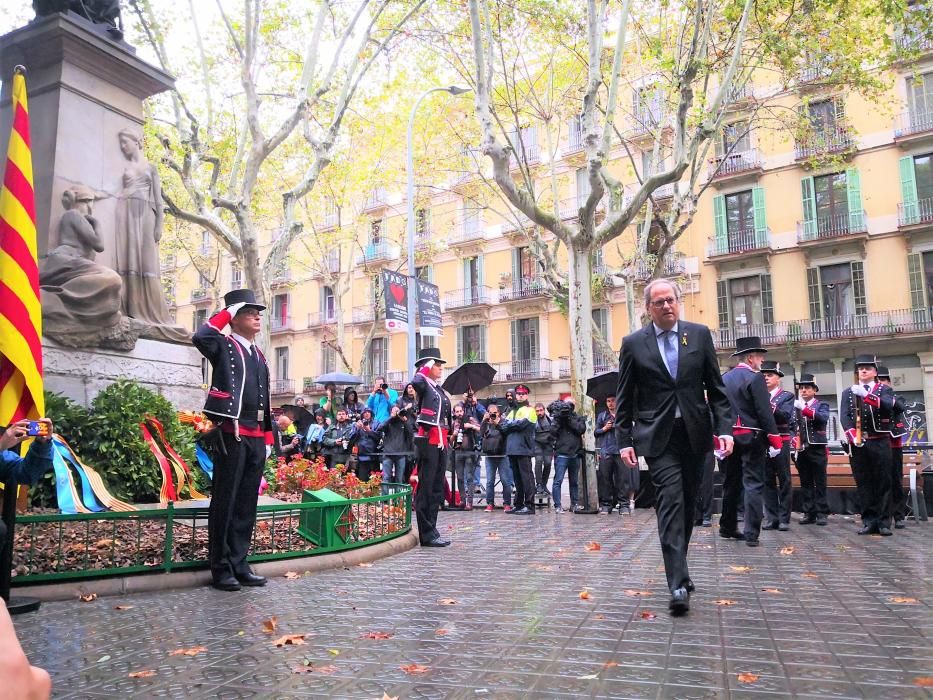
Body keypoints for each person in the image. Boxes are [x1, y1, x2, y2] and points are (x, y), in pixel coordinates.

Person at [616, 278, 734, 616]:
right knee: (669, 502)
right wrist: (625, 440)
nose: (667, 306)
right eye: (659, 302)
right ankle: (678, 584)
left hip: (696, 435)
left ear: (678, 302)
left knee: (688, 506)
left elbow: (716, 388)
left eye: (671, 300)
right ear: (648, 308)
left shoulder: (698, 335)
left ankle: (678, 564)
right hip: (658, 437)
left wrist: (724, 429)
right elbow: (625, 398)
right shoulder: (634, 344)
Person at [192, 289, 273, 592]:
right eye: (249, 311)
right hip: (232, 434)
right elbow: (201, 336)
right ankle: (221, 567)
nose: (257, 316)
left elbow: (264, 399)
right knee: (225, 502)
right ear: (235, 317)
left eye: (257, 312)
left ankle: (240, 563)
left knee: (246, 504)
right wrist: (227, 311)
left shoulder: (259, 354)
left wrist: (267, 437)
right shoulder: (223, 345)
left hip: (255, 436)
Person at [720, 337, 783, 547]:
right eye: (759, 356)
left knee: (731, 482)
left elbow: (718, 409)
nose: (761, 361)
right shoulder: (755, 378)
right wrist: (775, 438)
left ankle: (727, 526)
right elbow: (764, 411)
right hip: (752, 436)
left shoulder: (725, 377)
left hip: (729, 437)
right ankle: (751, 533)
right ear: (750, 357)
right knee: (753, 484)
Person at [841, 354, 897, 536]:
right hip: (859, 444)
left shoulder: (884, 390)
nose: (863, 370)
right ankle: (868, 520)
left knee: (883, 482)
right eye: (860, 368)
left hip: (880, 441)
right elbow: (845, 417)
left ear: (874, 371)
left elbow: (890, 407)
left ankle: (883, 522)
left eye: (867, 368)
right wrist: (852, 435)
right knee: (864, 483)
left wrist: (868, 396)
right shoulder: (848, 392)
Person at [411, 348, 453, 547]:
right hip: (428, 439)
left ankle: (433, 530)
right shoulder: (423, 384)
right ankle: (426, 534)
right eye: (437, 364)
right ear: (427, 366)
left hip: (442, 440)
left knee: (437, 487)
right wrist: (425, 367)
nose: (440, 368)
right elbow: (416, 382)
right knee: (426, 488)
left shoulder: (437, 388)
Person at [760, 361, 796, 532]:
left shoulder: (786, 397)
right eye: (763, 375)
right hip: (763, 441)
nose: (766, 378)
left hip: (781, 440)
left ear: (778, 378)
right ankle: (771, 517)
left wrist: (768, 405)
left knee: (784, 479)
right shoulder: (758, 395)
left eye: (770, 375)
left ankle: (784, 518)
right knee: (767, 480)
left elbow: (785, 416)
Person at [793, 374, 830, 526]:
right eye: (801, 388)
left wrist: (805, 410)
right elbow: (791, 425)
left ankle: (822, 512)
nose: (803, 391)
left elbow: (822, 418)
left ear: (814, 390)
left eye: (807, 388)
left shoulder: (822, 405)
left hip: (817, 448)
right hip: (802, 449)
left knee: (820, 482)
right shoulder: (796, 408)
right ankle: (809, 512)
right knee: (806, 482)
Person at [878, 366, 908, 529]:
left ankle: (899, 515)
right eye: (878, 381)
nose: (880, 383)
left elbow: (900, 407)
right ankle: (883, 515)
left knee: (895, 480)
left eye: (883, 380)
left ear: (889, 382)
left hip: (893, 444)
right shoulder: (872, 400)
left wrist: (886, 397)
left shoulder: (897, 397)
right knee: (881, 481)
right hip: (877, 444)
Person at [501, 384, 538, 515]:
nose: (520, 396)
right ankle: (518, 504)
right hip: (512, 449)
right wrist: (512, 425)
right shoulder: (512, 411)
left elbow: (523, 425)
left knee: (527, 478)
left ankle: (529, 505)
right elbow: (503, 426)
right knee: (517, 479)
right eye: (518, 393)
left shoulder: (530, 410)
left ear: (527, 395)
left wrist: (511, 424)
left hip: (523, 448)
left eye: (523, 393)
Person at [550, 397, 586, 514]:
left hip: (574, 453)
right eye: (566, 405)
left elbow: (581, 429)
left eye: (571, 405)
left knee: (574, 481)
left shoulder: (577, 417)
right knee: (558, 481)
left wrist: (569, 418)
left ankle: (574, 504)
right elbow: (552, 432)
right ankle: (558, 505)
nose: (568, 408)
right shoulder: (558, 418)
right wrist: (559, 419)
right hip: (561, 454)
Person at [595, 395, 628, 514]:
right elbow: (596, 432)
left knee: (622, 479)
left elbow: (629, 429)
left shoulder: (623, 414)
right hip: (606, 451)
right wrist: (605, 428)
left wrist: (618, 425)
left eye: (613, 401)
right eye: (608, 401)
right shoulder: (602, 416)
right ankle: (606, 504)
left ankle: (624, 504)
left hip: (620, 450)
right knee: (605, 479)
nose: (610, 403)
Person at [480, 405, 512, 511]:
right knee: (490, 481)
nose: (492, 415)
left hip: (502, 455)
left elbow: (506, 433)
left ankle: (507, 503)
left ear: (499, 413)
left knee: (505, 481)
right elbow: (481, 434)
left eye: (495, 412)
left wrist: (497, 424)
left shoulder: (503, 421)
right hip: (490, 455)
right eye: (490, 412)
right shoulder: (486, 422)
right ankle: (490, 503)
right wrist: (484, 421)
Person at [450, 403, 481, 509]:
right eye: (457, 411)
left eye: (460, 411)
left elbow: (481, 429)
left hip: (469, 451)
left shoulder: (470, 418)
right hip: (458, 451)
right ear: (454, 412)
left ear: (463, 411)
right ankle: (463, 500)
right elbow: (450, 441)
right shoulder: (454, 423)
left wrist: (471, 426)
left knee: (469, 477)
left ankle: (470, 502)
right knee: (459, 477)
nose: (459, 413)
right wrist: (454, 435)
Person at [378, 404, 414, 490]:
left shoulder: (403, 423)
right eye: (394, 411)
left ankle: (398, 501)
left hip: (401, 454)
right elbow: (380, 428)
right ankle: (384, 501)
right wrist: (391, 417)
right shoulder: (388, 423)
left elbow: (410, 433)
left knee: (399, 479)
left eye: (397, 411)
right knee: (386, 478)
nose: (396, 413)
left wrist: (405, 421)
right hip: (388, 454)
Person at [352, 408, 380, 481]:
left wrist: (369, 431)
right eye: (365, 412)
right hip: (361, 456)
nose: (367, 414)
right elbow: (351, 439)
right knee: (362, 480)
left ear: (371, 413)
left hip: (374, 455)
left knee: (374, 480)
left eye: (368, 412)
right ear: (362, 414)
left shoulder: (376, 423)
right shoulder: (357, 424)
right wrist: (357, 428)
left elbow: (379, 437)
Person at [533, 403, 554, 496]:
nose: (539, 412)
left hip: (548, 445)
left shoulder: (550, 419)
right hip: (537, 444)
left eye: (541, 410)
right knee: (538, 462)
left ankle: (544, 484)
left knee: (548, 463)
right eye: (537, 411)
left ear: (544, 410)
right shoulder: (533, 421)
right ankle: (539, 484)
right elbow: (531, 434)